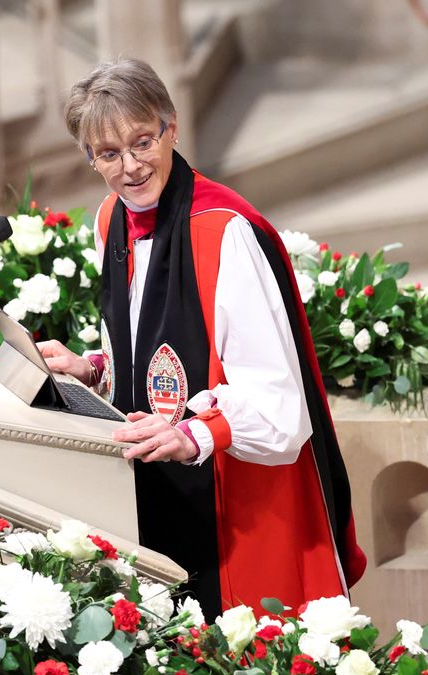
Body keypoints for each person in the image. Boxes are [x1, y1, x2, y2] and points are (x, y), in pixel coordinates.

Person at [38, 58, 366, 619]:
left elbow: (279, 405)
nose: (131, 167)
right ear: (90, 158)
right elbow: (151, 345)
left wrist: (194, 435)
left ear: (171, 128)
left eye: (143, 142)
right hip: (150, 483)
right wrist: (94, 368)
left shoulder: (224, 232)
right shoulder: (111, 217)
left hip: (232, 499)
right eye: (109, 154)